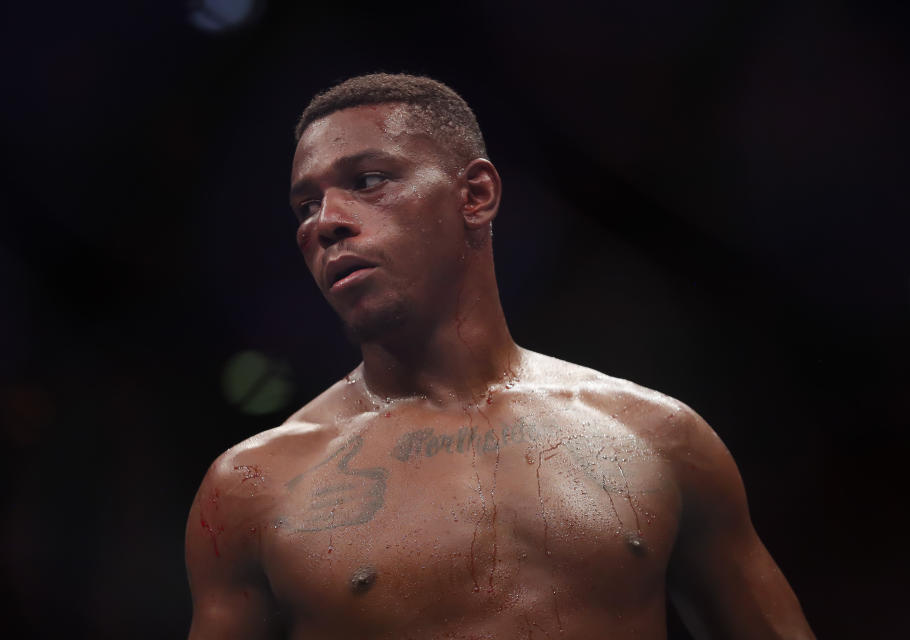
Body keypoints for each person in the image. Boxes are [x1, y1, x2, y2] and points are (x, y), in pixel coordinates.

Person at [185, 73, 815, 639]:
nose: (325, 222)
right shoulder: (255, 488)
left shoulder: (657, 438)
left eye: (367, 181)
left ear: (476, 195)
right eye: (306, 205)